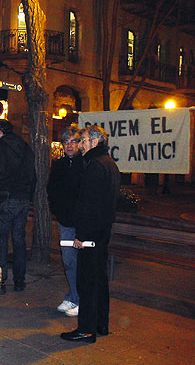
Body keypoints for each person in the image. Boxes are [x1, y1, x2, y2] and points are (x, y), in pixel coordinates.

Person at [61, 125, 120, 343]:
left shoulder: (95, 165)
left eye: (83, 140)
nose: (80, 145)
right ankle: (100, 324)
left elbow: (89, 204)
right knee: (99, 279)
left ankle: (86, 329)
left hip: (92, 233)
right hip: (102, 231)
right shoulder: (108, 163)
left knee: (87, 281)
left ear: (95, 142)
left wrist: (82, 235)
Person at [0, 119, 36, 294]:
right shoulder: (26, 148)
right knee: (19, 241)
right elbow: (33, 175)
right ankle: (20, 280)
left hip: (5, 199)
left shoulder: (1, 148)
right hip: (22, 199)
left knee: (1, 241)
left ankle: (0, 282)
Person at [47, 125, 84, 317]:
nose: (69, 146)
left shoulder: (85, 164)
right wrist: (57, 210)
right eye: (66, 142)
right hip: (65, 222)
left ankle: (80, 299)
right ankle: (73, 296)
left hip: (82, 223)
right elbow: (51, 189)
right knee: (68, 260)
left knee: (81, 262)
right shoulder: (59, 164)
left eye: (73, 141)